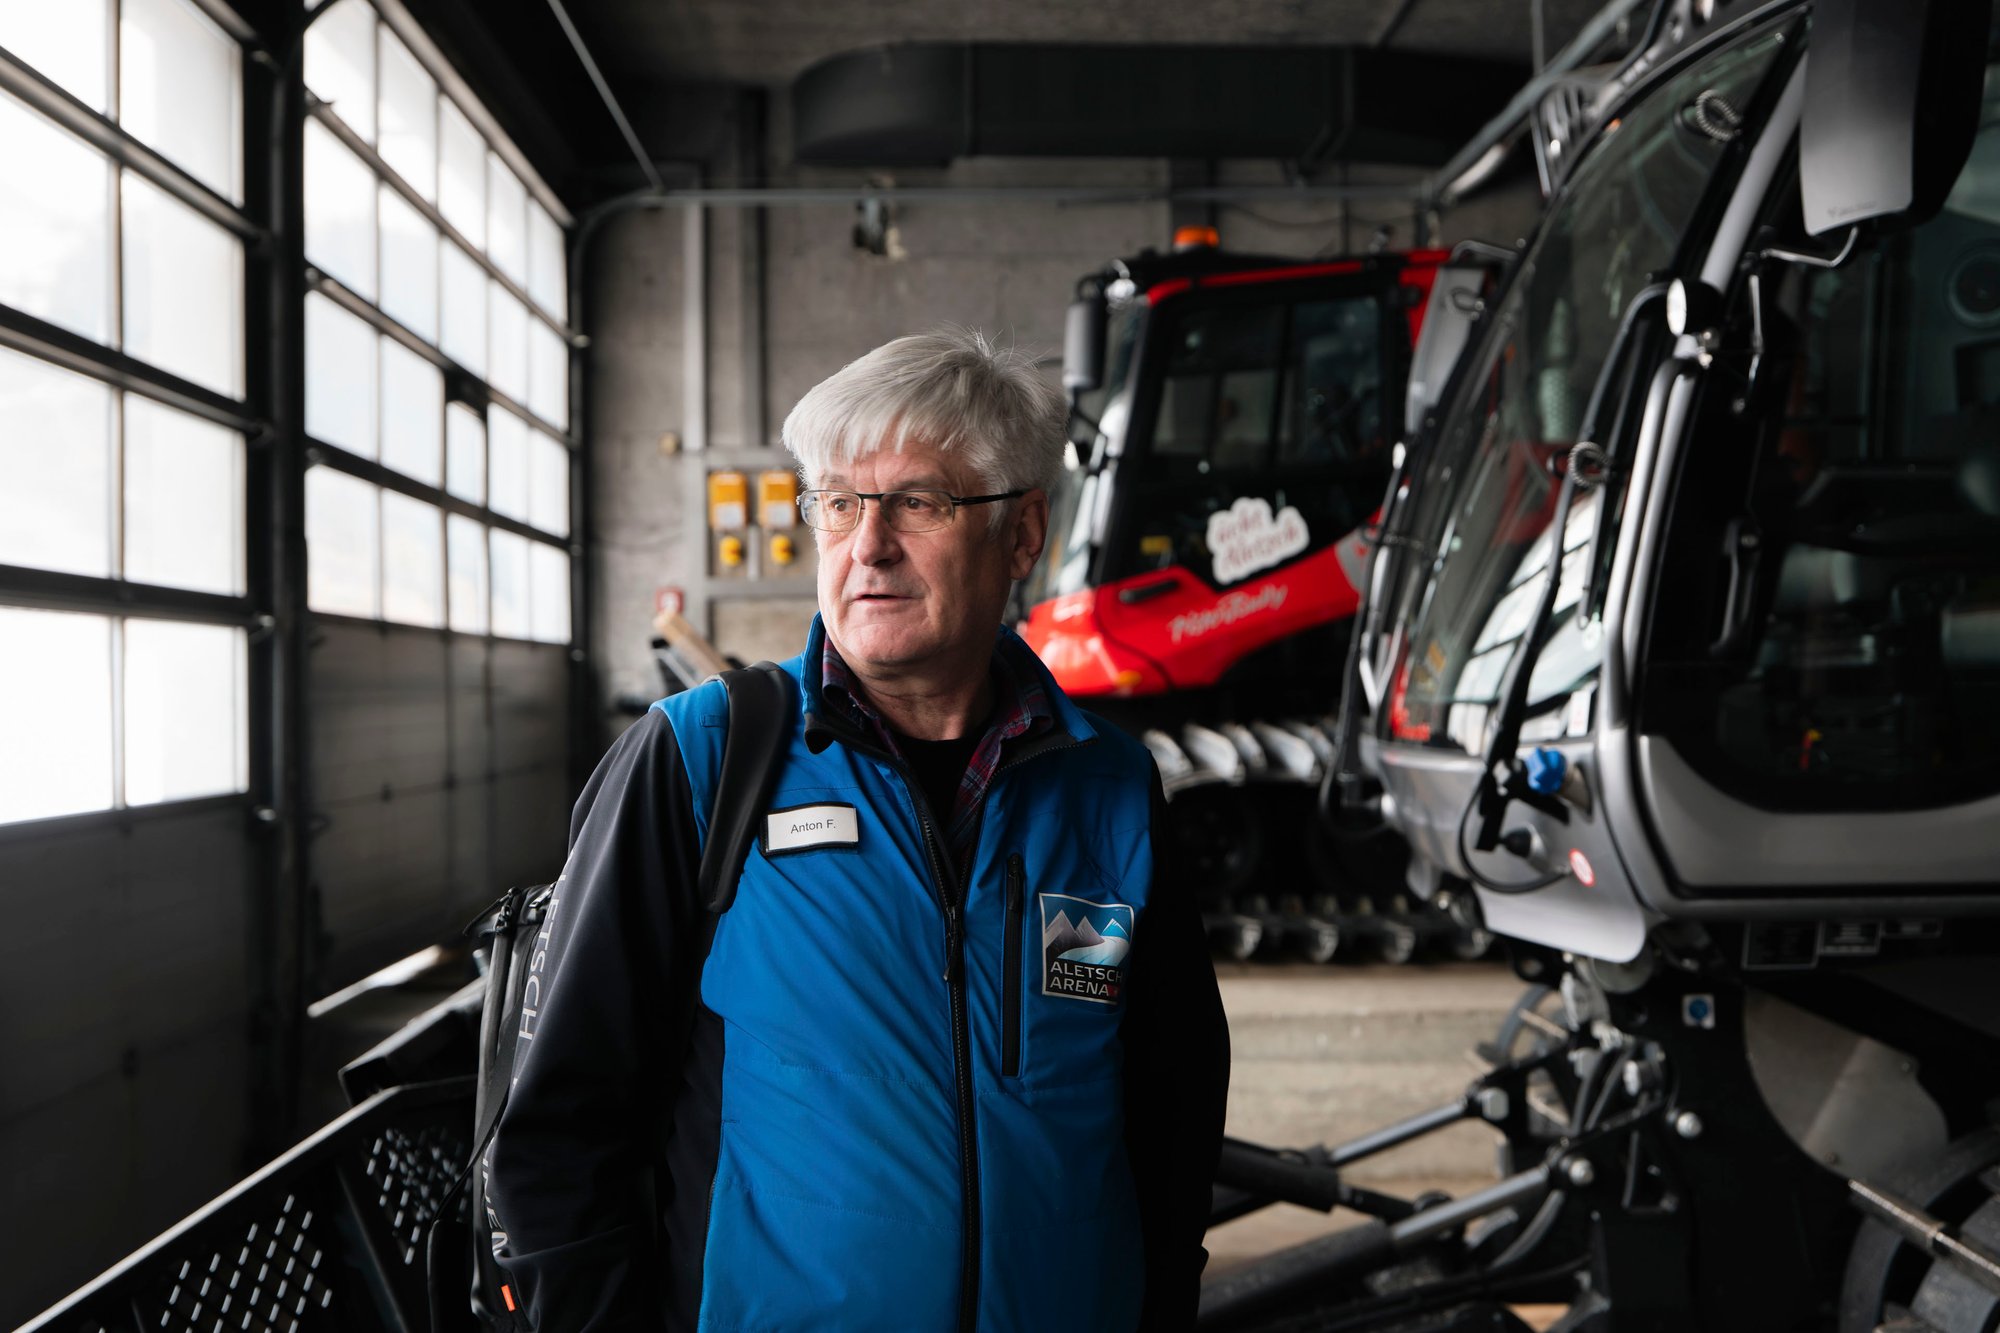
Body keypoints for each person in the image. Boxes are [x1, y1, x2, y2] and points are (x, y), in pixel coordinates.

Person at [489, 327, 1230, 1332]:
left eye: (917, 502)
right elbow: (558, 1132)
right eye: (838, 503)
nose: (867, 544)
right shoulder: (703, 762)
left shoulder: (1108, 789)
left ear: (1020, 534)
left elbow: (1170, 1109)